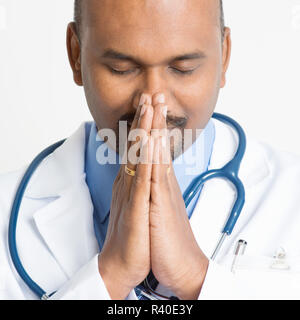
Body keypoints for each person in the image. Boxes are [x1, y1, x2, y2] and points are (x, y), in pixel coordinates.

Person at [1, 0, 300, 300]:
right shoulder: (7, 211)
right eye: (122, 69)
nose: (153, 98)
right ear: (76, 54)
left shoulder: (290, 197)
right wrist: (111, 276)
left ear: (224, 57)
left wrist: (194, 278)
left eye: (184, 69)